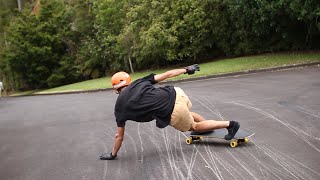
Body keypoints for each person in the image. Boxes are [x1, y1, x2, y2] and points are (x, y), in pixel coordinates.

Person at [100, 64, 240, 160]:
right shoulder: (139, 82)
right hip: (177, 93)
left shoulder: (119, 108)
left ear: (116, 89)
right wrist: (187, 69)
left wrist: (113, 154)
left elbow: (119, 136)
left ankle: (230, 124)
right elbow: (167, 74)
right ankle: (207, 126)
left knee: (194, 127)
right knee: (188, 114)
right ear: (128, 82)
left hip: (173, 111)